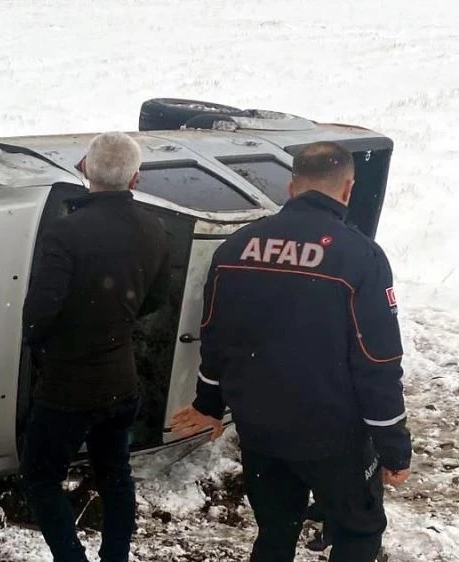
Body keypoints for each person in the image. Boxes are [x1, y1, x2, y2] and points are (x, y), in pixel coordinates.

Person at [170, 141, 412, 562]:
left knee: (275, 532)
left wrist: (209, 403)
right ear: (348, 189)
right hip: (333, 436)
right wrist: (393, 445)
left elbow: (215, 336)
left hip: (259, 429)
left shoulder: (236, 247)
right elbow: (378, 361)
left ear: (291, 186)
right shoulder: (361, 257)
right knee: (359, 530)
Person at [20, 132, 171, 562]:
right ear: (136, 178)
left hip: (67, 385)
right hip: (120, 381)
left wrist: (42, 344)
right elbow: (156, 299)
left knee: (40, 477)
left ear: (85, 168)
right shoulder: (155, 229)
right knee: (115, 475)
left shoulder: (66, 232)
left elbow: (39, 313)